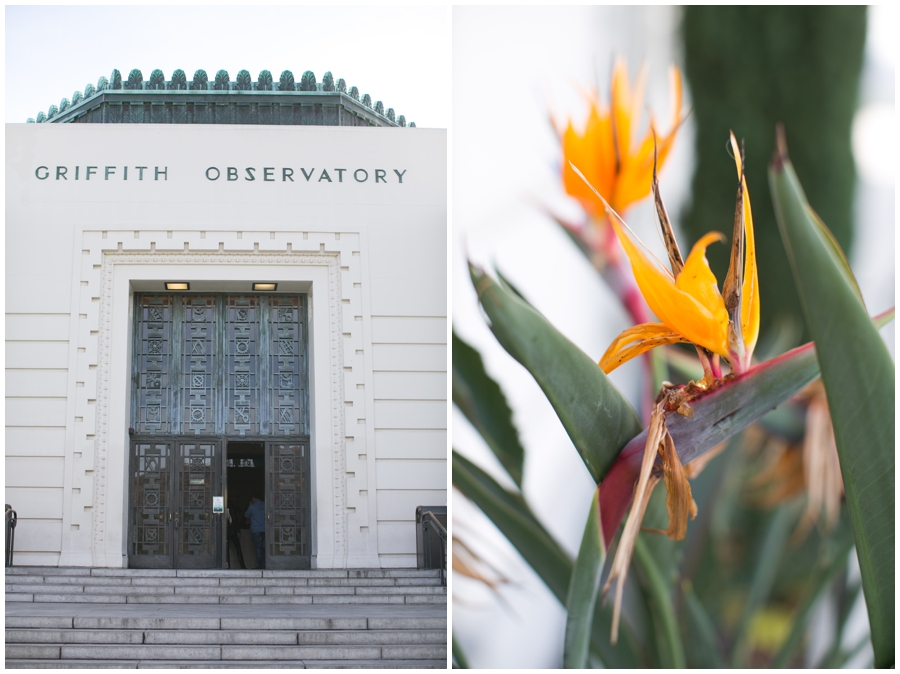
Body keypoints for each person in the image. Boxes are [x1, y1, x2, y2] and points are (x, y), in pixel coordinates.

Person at [245, 494, 266, 569]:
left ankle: (259, 566)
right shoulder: (266, 505)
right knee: (265, 549)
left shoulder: (252, 507)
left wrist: (250, 505)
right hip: (265, 530)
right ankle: (267, 565)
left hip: (256, 530)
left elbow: (246, 515)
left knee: (258, 549)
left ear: (253, 498)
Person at [226, 500, 246, 569]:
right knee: (238, 549)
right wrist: (238, 531)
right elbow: (235, 520)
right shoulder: (232, 508)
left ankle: (227, 566)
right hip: (233, 531)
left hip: (226, 531)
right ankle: (242, 566)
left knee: (226, 550)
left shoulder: (224, 510)